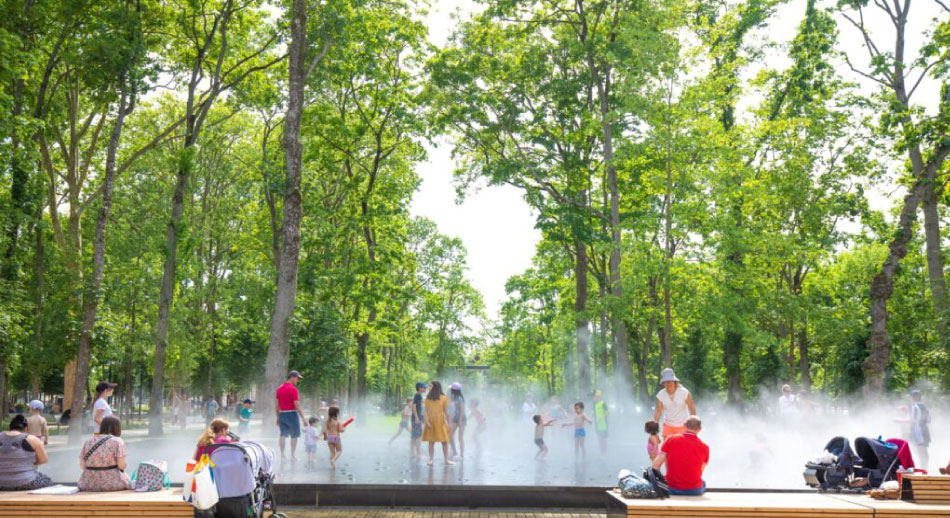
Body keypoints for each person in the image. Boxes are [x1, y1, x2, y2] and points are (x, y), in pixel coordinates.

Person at [652, 415, 709, 496]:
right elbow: (700, 472)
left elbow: (655, 465)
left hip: (671, 488)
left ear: (684, 425)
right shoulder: (705, 447)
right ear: (700, 429)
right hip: (694, 490)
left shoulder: (670, 439)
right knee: (703, 483)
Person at [0, 415, 52, 491]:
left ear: (10, 427)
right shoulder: (32, 439)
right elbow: (43, 460)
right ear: (25, 428)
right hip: (26, 482)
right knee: (48, 481)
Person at [78, 416, 130, 491]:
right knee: (128, 478)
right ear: (117, 427)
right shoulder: (118, 441)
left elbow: (82, 466)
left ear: (102, 426)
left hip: (87, 484)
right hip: (112, 484)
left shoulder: (88, 441)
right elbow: (121, 466)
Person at [652, 368, 696, 440]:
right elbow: (658, 412)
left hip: (683, 425)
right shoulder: (660, 395)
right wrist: (653, 429)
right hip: (668, 425)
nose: (667, 384)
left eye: (669, 381)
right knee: (666, 449)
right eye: (665, 382)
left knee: (681, 449)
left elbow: (691, 408)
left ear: (674, 381)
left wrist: (693, 424)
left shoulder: (684, 392)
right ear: (663, 383)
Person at [275, 370, 308, 463]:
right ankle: (292, 456)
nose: (298, 380)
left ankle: (282, 456)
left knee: (283, 435)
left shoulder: (279, 388)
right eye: (298, 378)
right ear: (292, 377)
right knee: (294, 435)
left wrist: (278, 417)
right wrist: (304, 418)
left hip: (282, 414)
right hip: (292, 414)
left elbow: (277, 405)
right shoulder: (293, 389)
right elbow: (297, 404)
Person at [422, 381, 453, 466]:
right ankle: (431, 459)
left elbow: (446, 412)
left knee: (445, 441)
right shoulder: (428, 398)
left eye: (430, 386)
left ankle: (446, 459)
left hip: (441, 421)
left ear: (435, 387)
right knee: (431, 441)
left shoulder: (444, 398)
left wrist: (449, 423)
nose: (429, 387)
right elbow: (425, 411)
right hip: (431, 421)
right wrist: (426, 421)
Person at [909, 389, 931, 469]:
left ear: (914, 397)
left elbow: (913, 420)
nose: (910, 398)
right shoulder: (923, 406)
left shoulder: (915, 406)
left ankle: (924, 469)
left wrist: (899, 421)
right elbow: (929, 420)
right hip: (924, 430)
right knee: (922, 450)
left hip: (919, 432)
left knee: (921, 451)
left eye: (910, 397)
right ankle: (924, 468)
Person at [448, 382, 467, 460]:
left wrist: (460, 421)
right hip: (455, 418)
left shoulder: (459, 398)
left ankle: (462, 455)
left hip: (461, 418)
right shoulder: (453, 397)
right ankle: (454, 451)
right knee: (449, 435)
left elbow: (462, 410)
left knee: (460, 437)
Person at [410, 382, 426, 459]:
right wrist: (417, 417)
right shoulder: (418, 395)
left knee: (414, 436)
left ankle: (412, 453)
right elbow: (413, 406)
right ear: (420, 388)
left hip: (415, 418)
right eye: (424, 387)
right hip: (416, 418)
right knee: (418, 436)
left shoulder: (418, 395)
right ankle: (419, 454)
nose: (425, 389)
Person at [592, 390, 608, 457]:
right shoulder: (594, 404)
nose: (593, 398)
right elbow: (593, 413)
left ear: (597, 396)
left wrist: (601, 418)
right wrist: (589, 418)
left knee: (603, 440)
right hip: (597, 425)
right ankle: (602, 453)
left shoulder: (603, 403)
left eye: (594, 396)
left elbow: (608, 412)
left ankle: (604, 454)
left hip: (603, 424)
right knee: (599, 439)